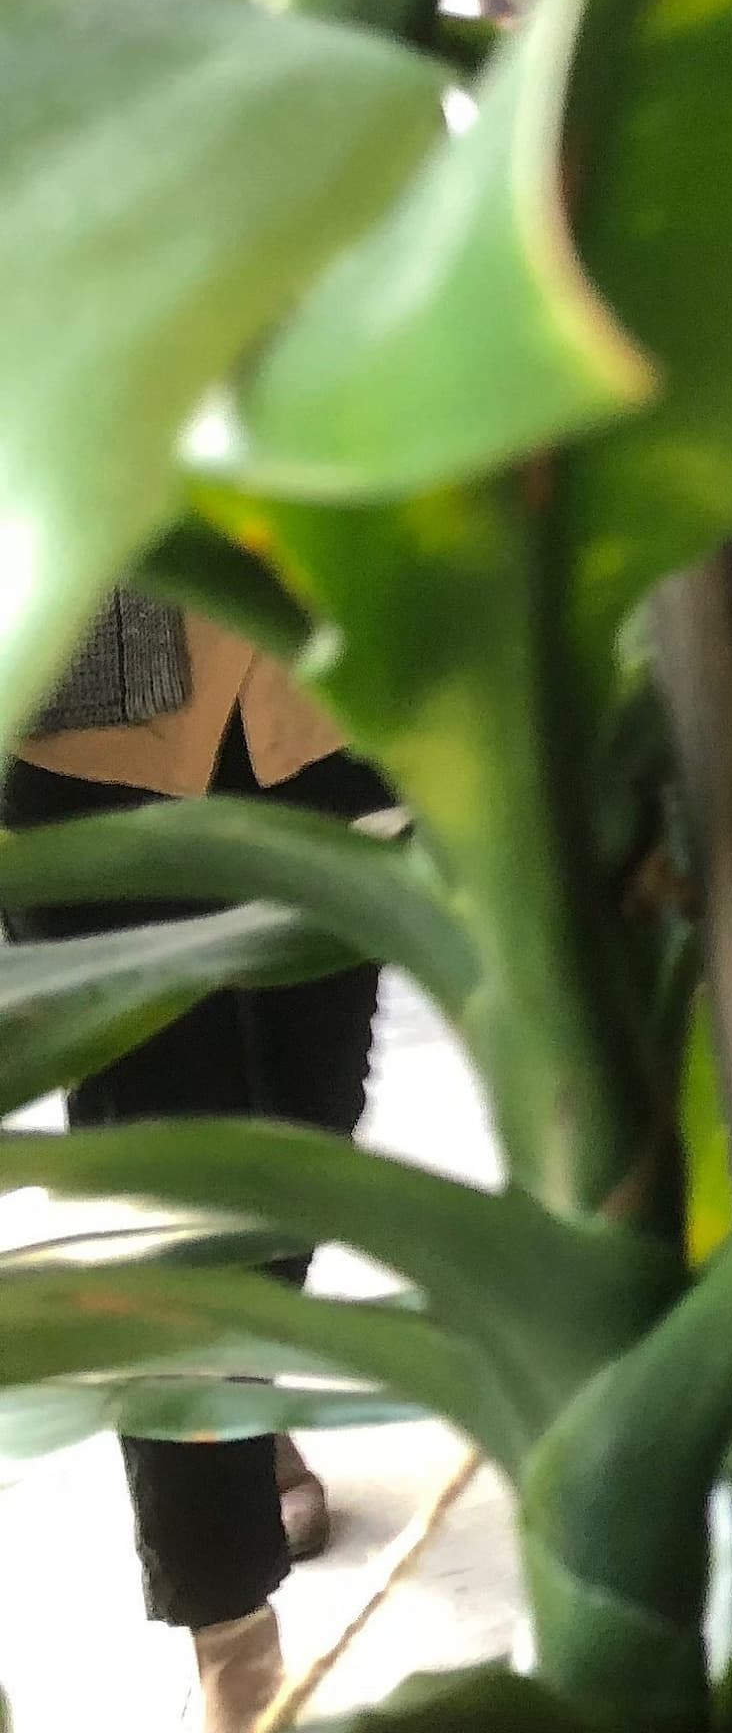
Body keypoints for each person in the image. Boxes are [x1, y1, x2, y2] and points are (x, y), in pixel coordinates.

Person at [6, 599, 384, 1733]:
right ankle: (237, 1648)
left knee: (308, 1129)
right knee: (169, 1192)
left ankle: (245, 1389)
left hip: (316, 686)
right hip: (86, 726)